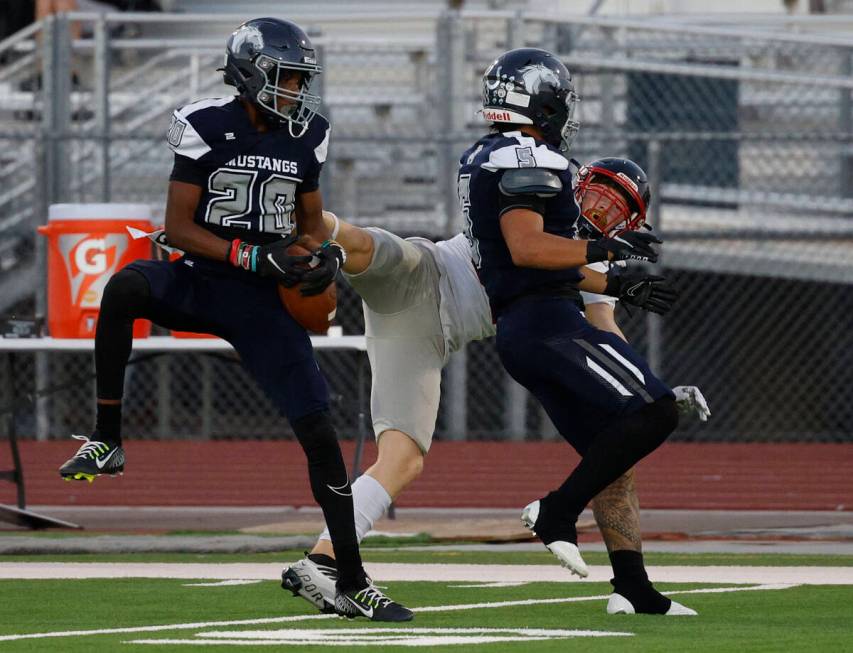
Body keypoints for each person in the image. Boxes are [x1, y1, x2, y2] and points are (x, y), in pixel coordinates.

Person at [57, 17, 411, 622]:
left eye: (303, 81)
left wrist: (317, 261)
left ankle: (348, 578)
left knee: (319, 431)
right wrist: (252, 253)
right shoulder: (204, 123)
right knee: (124, 287)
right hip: (205, 279)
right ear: (250, 74)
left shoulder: (309, 135)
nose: (298, 92)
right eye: (289, 79)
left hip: (263, 300)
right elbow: (177, 227)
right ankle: (108, 439)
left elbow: (307, 226)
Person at [282, 155, 706, 615]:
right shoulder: (541, 204)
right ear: (579, 182)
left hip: (428, 336)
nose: (603, 208)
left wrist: (643, 385)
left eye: (617, 205)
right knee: (365, 244)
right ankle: (284, 208)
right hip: (426, 273)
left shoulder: (593, 258)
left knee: (403, 460)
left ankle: (323, 560)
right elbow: (533, 253)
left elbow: (603, 326)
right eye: (601, 191)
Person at [464, 47, 696, 613]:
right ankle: (556, 511)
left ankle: (633, 589)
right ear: (542, 103)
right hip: (540, 322)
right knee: (655, 412)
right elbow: (527, 248)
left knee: (614, 450)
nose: (601, 209)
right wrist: (602, 247)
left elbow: (584, 291)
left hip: (538, 323)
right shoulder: (527, 157)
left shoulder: (497, 154)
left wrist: (621, 285)